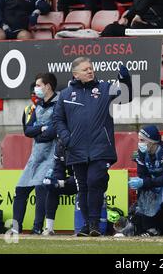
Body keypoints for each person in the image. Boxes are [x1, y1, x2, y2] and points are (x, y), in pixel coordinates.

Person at [54, 57, 132, 237]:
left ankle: (94, 224)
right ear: (75, 74)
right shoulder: (65, 95)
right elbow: (58, 120)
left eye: (91, 68)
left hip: (101, 148)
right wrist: (67, 139)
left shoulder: (104, 88)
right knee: (83, 187)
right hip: (76, 149)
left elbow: (126, 97)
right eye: (85, 69)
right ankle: (87, 226)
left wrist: (125, 79)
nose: (90, 71)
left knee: (94, 182)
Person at [12, 73, 58, 234]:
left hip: (52, 155)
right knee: (20, 189)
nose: (36, 89)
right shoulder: (32, 107)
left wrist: (39, 131)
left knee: (41, 188)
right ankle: (16, 228)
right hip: (35, 156)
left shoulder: (59, 105)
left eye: (38, 85)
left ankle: (37, 228)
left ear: (48, 86)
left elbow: (53, 131)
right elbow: (28, 131)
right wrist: (41, 128)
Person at [42, 140, 77, 236]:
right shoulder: (59, 146)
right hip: (71, 181)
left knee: (84, 187)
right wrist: (55, 180)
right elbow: (59, 169)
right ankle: (49, 228)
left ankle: (85, 226)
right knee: (52, 189)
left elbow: (84, 174)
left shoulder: (79, 143)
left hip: (84, 180)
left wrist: (64, 182)